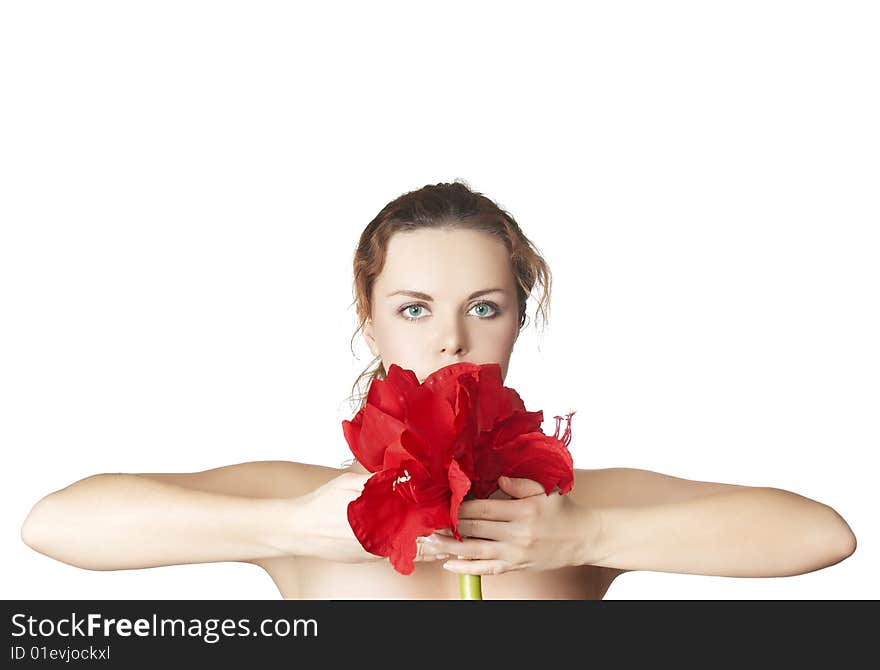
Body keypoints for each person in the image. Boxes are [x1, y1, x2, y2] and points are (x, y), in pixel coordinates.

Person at [20, 181, 857, 599]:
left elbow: (822, 537)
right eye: (414, 308)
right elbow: (52, 524)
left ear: (518, 320)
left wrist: (588, 536)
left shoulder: (567, 513)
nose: (449, 338)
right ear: (370, 317)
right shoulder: (305, 503)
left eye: (483, 307)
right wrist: (283, 526)